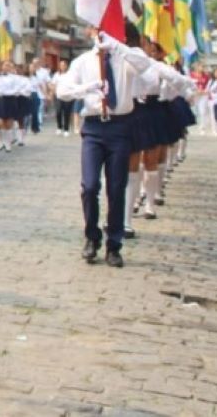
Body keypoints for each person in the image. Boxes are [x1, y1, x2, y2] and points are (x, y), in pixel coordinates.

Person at [56, 26, 153, 268]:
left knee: (116, 187)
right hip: (94, 128)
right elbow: (62, 91)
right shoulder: (83, 61)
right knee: (89, 186)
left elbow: (145, 65)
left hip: (120, 127)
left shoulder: (125, 58)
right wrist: (87, 88)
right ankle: (91, 237)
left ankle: (114, 244)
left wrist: (117, 47)